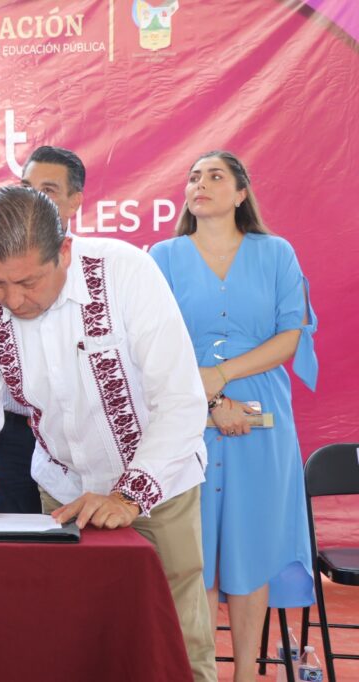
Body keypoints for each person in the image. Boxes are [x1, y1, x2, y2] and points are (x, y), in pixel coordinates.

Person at [0, 186, 216, 682]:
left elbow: (180, 401)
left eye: (27, 282)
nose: (12, 300)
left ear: (64, 251)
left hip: (158, 487)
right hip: (63, 492)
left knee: (174, 642)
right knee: (78, 638)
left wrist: (128, 497)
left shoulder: (127, 273)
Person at [150, 151, 316, 682]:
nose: (200, 184)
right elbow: (152, 344)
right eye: (193, 177)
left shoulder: (277, 253)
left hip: (263, 417)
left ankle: (245, 674)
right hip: (185, 413)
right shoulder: (162, 257)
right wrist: (210, 402)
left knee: (251, 546)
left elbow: (290, 337)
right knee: (192, 552)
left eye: (215, 176)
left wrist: (221, 376)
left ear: (241, 193)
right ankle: (200, 673)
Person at [0, 145, 85, 513]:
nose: (13, 299)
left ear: (75, 201)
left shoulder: (96, 267)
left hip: (74, 433)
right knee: (12, 539)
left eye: (48, 190)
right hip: (11, 430)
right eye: (27, 187)